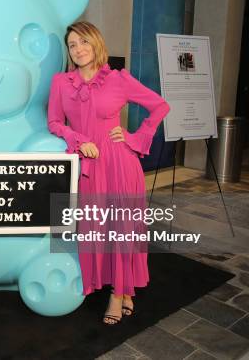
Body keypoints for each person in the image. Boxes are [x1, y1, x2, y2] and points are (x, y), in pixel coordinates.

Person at [47, 21, 170, 325]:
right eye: (72, 45)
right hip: (88, 165)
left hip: (119, 162)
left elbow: (160, 106)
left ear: (96, 43)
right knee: (95, 229)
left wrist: (134, 137)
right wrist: (78, 140)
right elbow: (54, 123)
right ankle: (124, 288)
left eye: (83, 42)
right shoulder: (61, 82)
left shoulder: (118, 80)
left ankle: (118, 293)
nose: (78, 49)